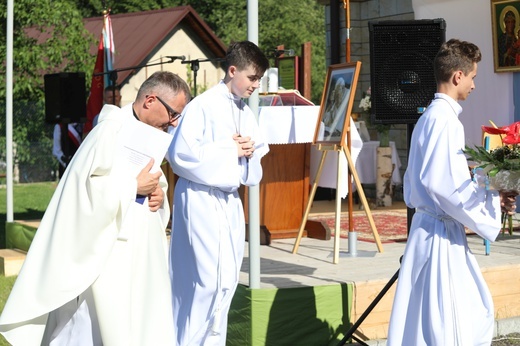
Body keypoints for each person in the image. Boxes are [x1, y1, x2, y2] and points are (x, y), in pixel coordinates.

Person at [0, 71, 191, 345]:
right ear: (150, 100)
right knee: (93, 328)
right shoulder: (109, 131)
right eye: (173, 113)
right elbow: (83, 194)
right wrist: (131, 187)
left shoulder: (149, 135)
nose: (174, 123)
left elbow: (152, 182)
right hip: (107, 252)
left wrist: (158, 198)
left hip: (141, 251)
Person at [387, 39, 518, 345]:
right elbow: (443, 186)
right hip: (439, 235)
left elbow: (440, 180)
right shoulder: (445, 121)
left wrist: (491, 194)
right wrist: (491, 203)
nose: (474, 84)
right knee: (454, 319)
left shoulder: (428, 118)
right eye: (473, 76)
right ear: (458, 76)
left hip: (429, 229)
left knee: (431, 317)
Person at [167, 40, 269, 345]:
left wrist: (249, 152)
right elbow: (180, 156)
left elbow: (255, 154)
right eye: (252, 78)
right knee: (205, 282)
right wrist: (230, 149)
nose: (255, 85)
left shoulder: (243, 111)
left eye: (259, 79)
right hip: (200, 198)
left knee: (226, 282)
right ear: (233, 70)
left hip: (227, 201)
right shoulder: (202, 106)